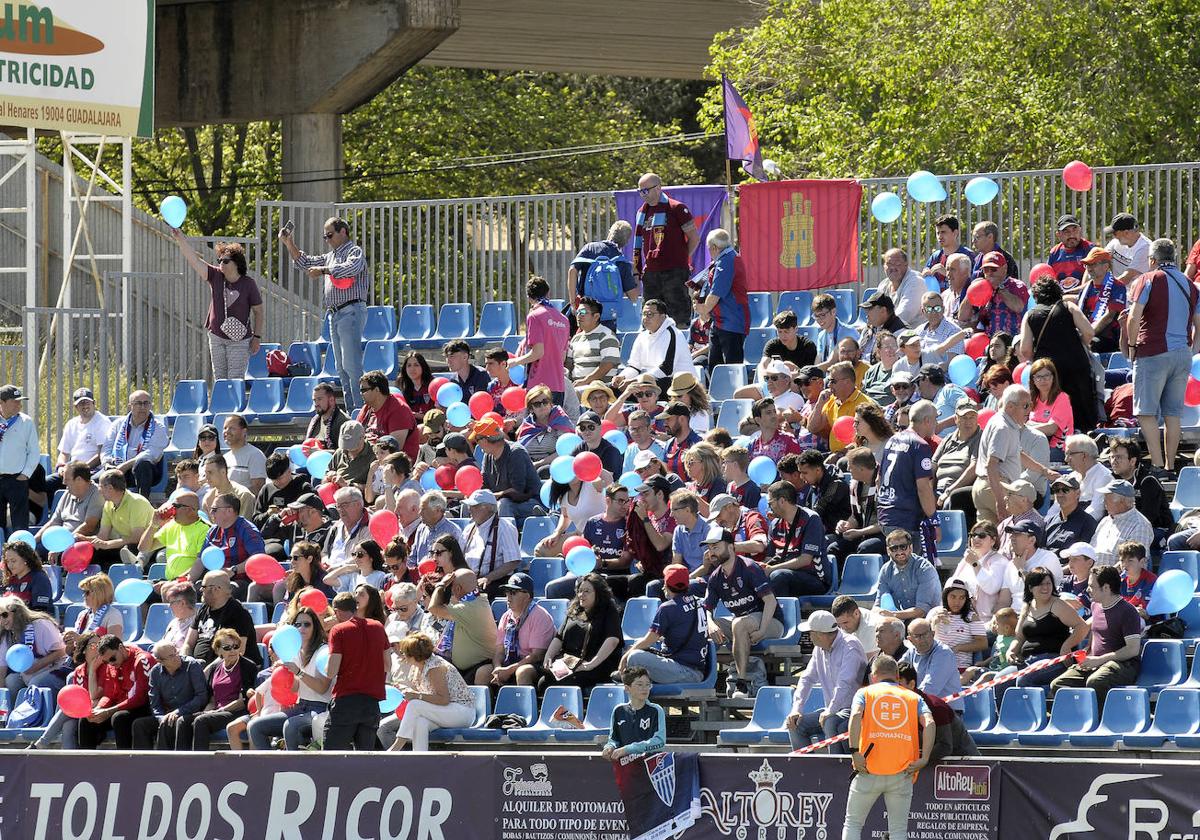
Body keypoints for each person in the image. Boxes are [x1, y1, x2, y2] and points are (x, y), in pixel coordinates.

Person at [1126, 238, 1200, 473]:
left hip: (1152, 352)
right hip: (1182, 355)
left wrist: (1131, 346)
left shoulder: (1146, 279)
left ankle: (1157, 464)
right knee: (1173, 412)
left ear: (1152, 259)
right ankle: (1170, 464)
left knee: (1146, 411)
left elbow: (1134, 317)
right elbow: (1199, 324)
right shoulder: (1190, 284)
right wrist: (1192, 350)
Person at [841, 654, 935, 840]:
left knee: (852, 824)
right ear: (897, 675)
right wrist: (924, 759)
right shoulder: (913, 697)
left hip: (867, 768)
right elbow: (930, 723)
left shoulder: (864, 693)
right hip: (902, 772)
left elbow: (855, 717)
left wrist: (854, 752)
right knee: (898, 830)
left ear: (874, 675)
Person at [280, 217, 369, 410]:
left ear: (343, 232)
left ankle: (361, 412)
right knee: (341, 368)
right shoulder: (330, 256)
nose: (327, 239)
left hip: (351, 310)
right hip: (335, 315)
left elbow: (351, 267)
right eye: (324, 236)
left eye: (330, 235)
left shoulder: (354, 251)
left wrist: (323, 270)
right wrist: (289, 243)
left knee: (352, 365)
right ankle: (352, 409)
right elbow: (305, 262)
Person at [173, 231, 264, 381]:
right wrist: (181, 239)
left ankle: (235, 405)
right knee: (220, 379)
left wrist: (257, 337)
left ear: (237, 263)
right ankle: (223, 405)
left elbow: (259, 312)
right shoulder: (215, 276)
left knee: (235, 379)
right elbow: (194, 260)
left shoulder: (248, 284)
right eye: (219, 260)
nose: (221, 263)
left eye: (225, 261)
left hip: (240, 339)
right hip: (216, 335)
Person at [704, 527, 783, 698]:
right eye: (709, 548)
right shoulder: (715, 577)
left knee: (739, 623)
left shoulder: (749, 568)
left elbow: (770, 601)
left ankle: (742, 684)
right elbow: (707, 609)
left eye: (716, 547)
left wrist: (762, 630)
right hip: (742, 624)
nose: (711, 552)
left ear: (731, 547)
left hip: (771, 623)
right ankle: (703, 678)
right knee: (705, 626)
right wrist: (710, 624)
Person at [1050, 565, 1142, 705]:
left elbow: (1132, 649)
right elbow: (1094, 629)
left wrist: (1100, 660)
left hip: (1123, 664)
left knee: (1095, 681)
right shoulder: (1096, 606)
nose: (1088, 590)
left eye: (1092, 586)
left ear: (1106, 588)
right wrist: (1086, 652)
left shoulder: (1128, 611)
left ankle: (1099, 721)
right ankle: (1079, 719)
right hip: (1096, 662)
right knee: (1059, 684)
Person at [1019, 277, 1098, 432]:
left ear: (1036, 296)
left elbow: (1025, 350)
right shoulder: (1068, 307)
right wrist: (1079, 343)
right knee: (1082, 410)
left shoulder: (1030, 315)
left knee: (1054, 410)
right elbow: (1089, 332)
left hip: (1048, 372)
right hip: (1077, 366)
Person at [248, 607, 332, 751]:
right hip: (300, 707)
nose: (302, 628)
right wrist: (284, 674)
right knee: (255, 726)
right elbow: (295, 688)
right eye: (297, 624)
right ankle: (272, 767)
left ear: (315, 627)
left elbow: (322, 688)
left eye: (307, 624)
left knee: (291, 726)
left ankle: (294, 768)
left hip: (321, 709)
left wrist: (298, 672)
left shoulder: (323, 651)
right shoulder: (295, 651)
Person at [786, 609, 866, 751]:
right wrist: (796, 709)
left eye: (811, 633)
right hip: (835, 709)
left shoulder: (850, 645)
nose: (809, 637)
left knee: (830, 721)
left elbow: (845, 683)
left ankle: (834, 770)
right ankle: (805, 771)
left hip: (855, 710)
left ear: (820, 634)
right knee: (795, 724)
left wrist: (830, 710)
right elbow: (807, 678)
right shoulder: (819, 648)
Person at [620, 564, 709, 684]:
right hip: (694, 670)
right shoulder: (700, 602)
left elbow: (649, 640)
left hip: (685, 671)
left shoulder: (668, 607)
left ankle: (626, 677)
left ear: (666, 585)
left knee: (634, 656)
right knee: (637, 646)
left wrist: (625, 657)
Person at [322, 591, 389, 750]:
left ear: (337, 611)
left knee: (331, 759)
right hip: (371, 704)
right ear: (355, 607)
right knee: (366, 761)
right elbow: (388, 665)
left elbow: (331, 671)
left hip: (346, 702)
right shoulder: (378, 626)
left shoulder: (338, 630)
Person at [632, 173, 700, 327]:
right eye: (640, 191)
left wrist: (681, 259)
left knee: (678, 319)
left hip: (674, 272)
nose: (643, 195)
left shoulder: (677, 208)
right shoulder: (641, 213)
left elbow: (694, 238)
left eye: (645, 190)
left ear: (658, 188)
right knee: (650, 319)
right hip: (650, 274)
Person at [538, 572, 622, 694]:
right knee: (543, 683)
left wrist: (591, 664)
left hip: (596, 664)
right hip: (570, 662)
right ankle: (556, 713)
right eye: (580, 591)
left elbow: (612, 640)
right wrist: (548, 657)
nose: (581, 595)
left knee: (564, 684)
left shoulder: (609, 610)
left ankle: (571, 713)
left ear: (598, 593)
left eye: (587, 591)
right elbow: (559, 637)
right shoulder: (574, 610)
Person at [876, 400, 938, 558]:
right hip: (905, 519)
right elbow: (923, 487)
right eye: (935, 419)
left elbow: (878, 479)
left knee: (899, 568)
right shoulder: (920, 445)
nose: (936, 424)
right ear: (926, 421)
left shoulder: (892, 440)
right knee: (907, 573)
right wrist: (934, 520)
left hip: (886, 515)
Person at [475, 572, 555, 689]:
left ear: (527, 596)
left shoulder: (540, 615)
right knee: (482, 673)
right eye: (507, 593)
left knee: (522, 672)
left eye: (513, 593)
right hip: (509, 662)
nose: (508, 597)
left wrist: (510, 670)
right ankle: (489, 706)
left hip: (534, 665)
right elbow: (499, 651)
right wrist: (498, 668)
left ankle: (526, 706)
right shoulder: (506, 616)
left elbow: (537, 655)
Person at [77, 634, 156, 749]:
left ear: (121, 648)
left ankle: (124, 762)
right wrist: (99, 709)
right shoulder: (112, 664)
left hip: (144, 707)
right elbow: (110, 694)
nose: (111, 663)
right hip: (123, 706)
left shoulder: (142, 660)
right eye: (106, 662)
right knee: (86, 720)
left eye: (113, 658)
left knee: (119, 718)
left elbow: (141, 697)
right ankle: (86, 764)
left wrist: (109, 711)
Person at [188, 627, 259, 750]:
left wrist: (218, 711)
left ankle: (198, 765)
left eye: (235, 646)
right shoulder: (215, 667)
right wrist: (207, 711)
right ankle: (180, 763)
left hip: (236, 712)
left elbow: (243, 702)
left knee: (201, 721)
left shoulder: (248, 667)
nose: (233, 650)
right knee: (184, 721)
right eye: (227, 648)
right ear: (218, 651)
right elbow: (212, 699)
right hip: (218, 711)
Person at [132, 641, 209, 750]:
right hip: (168, 714)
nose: (177, 657)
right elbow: (155, 703)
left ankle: (170, 763)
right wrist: (161, 718)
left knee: (176, 722)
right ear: (160, 661)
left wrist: (179, 711)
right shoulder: (155, 672)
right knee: (139, 724)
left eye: (176, 652)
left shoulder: (192, 665)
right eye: (171, 656)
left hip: (190, 712)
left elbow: (201, 697)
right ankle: (143, 763)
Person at [896, 661, 978, 762]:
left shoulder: (936, 707)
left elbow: (945, 746)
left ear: (912, 684)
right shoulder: (897, 707)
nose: (893, 690)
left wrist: (917, 760)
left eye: (898, 685)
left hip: (966, 763)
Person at [614, 298, 698, 395]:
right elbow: (634, 366)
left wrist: (635, 381)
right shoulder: (642, 336)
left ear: (662, 316)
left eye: (650, 314)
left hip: (680, 384)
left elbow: (666, 369)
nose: (645, 318)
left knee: (643, 388)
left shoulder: (673, 334)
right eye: (643, 314)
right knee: (612, 389)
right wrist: (623, 377)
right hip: (652, 381)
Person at [509, 276, 571, 405]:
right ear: (548, 293)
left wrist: (514, 361)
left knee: (536, 425)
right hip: (558, 384)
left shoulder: (534, 316)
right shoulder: (564, 319)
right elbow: (562, 357)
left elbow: (537, 352)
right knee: (554, 424)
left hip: (538, 386)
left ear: (529, 297)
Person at [693, 228, 749, 370]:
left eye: (708, 249)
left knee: (731, 369)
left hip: (731, 321)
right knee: (715, 366)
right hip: (720, 322)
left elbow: (716, 293)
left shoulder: (727, 261)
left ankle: (733, 393)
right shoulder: (726, 259)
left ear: (714, 248)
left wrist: (703, 309)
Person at [428, 568, 497, 684]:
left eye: (451, 587)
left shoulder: (471, 607)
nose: (450, 591)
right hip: (461, 668)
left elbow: (433, 608)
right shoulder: (474, 600)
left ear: (458, 589)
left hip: (477, 667)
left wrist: (441, 585)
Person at [569, 220, 639, 333]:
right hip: (609, 315)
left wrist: (573, 302)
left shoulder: (590, 248)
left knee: (581, 344)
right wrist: (635, 274)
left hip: (585, 310)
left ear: (610, 232)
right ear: (626, 242)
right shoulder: (622, 262)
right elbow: (634, 297)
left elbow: (572, 271)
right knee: (607, 346)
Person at [971, 385, 1027, 525]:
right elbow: (991, 465)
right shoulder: (1003, 428)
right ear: (1010, 407)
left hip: (984, 486)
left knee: (989, 540)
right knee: (1021, 528)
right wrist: (1001, 502)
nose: (1029, 410)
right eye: (1025, 406)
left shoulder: (1003, 423)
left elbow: (1017, 454)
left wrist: (1044, 470)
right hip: (996, 488)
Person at [764, 480, 829, 598]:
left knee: (778, 576)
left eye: (770, 503)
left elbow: (805, 559)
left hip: (814, 578)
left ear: (782, 501)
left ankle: (781, 616)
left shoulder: (811, 519)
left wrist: (772, 569)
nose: (769, 508)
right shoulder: (774, 524)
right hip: (785, 574)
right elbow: (769, 558)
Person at [183, 570, 261, 666]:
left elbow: (237, 652)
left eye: (203, 587)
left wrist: (207, 672)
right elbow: (188, 643)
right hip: (198, 668)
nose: (201, 590)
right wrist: (185, 661)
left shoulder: (238, 613)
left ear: (216, 589)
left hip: (228, 670)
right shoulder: (203, 609)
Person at [46, 387, 111, 500]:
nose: (85, 406)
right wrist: (61, 466)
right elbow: (64, 453)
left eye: (87, 402)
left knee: (80, 482)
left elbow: (102, 453)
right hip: (71, 470)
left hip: (93, 470)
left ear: (94, 403)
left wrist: (80, 469)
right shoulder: (71, 424)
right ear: (76, 407)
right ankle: (48, 514)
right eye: (81, 403)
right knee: (46, 483)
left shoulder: (102, 422)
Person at [476, 417, 544, 526]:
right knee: (472, 505)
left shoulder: (516, 453)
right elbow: (484, 486)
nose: (476, 444)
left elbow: (518, 491)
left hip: (530, 502)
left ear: (484, 440)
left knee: (504, 504)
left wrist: (491, 497)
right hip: (501, 501)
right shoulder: (487, 455)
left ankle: (505, 540)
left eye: (476, 440)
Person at [199, 491, 265, 596]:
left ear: (229, 511)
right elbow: (200, 561)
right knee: (194, 589)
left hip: (242, 580)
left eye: (215, 510)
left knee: (226, 591)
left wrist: (233, 570)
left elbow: (258, 558)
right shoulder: (212, 532)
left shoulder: (247, 529)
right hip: (215, 580)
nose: (211, 513)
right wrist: (188, 580)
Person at [951, 520, 1018, 620]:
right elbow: (951, 585)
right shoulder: (965, 561)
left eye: (981, 535)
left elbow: (991, 587)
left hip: (985, 620)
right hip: (961, 617)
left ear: (993, 540)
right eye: (973, 535)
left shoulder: (999, 561)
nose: (976, 538)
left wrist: (975, 564)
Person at [88, 469, 154, 570]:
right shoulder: (108, 504)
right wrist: (85, 541)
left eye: (100, 486)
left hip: (146, 545)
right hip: (124, 544)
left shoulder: (137, 502)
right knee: (93, 553)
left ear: (110, 488)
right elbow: (103, 536)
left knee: (128, 548)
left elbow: (137, 537)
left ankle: (136, 568)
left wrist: (107, 544)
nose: (98, 489)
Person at [460, 490, 521, 598]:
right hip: (469, 581)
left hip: (493, 583)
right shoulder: (469, 529)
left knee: (469, 599)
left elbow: (513, 562)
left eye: (473, 506)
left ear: (487, 508)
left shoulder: (505, 528)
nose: (469, 510)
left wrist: (488, 578)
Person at [0, 594, 66, 694]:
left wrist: (35, 667)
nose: (2, 620)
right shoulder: (7, 635)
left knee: (35, 684)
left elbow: (61, 651)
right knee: (11, 681)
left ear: (18, 612)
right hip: (27, 672)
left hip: (54, 667)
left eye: (5, 615)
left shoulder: (41, 624)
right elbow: (2, 667)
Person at [1108, 439, 1172, 540]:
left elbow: (1148, 517)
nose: (1113, 461)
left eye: (1118, 457)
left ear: (1132, 461)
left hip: (1157, 530)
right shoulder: (1112, 480)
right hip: (1126, 527)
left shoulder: (1148, 481)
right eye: (1112, 457)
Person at [601, 665, 666, 760]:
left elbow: (659, 742)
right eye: (640, 684)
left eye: (648, 684)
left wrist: (629, 749)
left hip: (651, 764)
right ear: (627, 688)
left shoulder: (656, 710)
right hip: (626, 766)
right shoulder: (618, 710)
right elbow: (614, 739)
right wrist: (609, 747)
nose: (645, 688)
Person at [959, 251, 1029, 339]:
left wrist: (999, 288)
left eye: (993, 269)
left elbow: (1018, 307)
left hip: (1011, 341)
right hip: (989, 342)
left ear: (1005, 268)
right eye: (986, 269)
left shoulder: (1017, 285)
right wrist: (971, 292)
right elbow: (962, 317)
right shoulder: (981, 287)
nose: (989, 273)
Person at [138, 490, 208, 577]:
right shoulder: (171, 525)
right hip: (170, 582)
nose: (171, 509)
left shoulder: (204, 530)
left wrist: (177, 582)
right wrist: (153, 525)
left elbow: (201, 565)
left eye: (175, 506)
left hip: (189, 583)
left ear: (189, 510)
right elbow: (143, 548)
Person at [809, 362, 874, 454]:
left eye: (832, 381)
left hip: (856, 457)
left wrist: (840, 454)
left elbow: (867, 440)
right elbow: (812, 428)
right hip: (834, 455)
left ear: (846, 382)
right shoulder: (831, 400)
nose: (829, 385)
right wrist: (820, 403)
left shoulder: (865, 404)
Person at [875, 529, 941, 620]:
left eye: (903, 547)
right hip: (901, 618)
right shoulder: (885, 570)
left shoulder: (925, 569)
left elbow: (922, 610)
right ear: (888, 551)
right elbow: (878, 605)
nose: (899, 552)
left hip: (928, 620)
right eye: (894, 548)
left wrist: (892, 615)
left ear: (911, 548)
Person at [37, 461, 103, 552]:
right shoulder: (68, 493)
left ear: (79, 480)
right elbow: (54, 522)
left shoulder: (97, 494)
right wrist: (33, 541)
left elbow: (89, 526)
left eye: (67, 479)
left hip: (80, 545)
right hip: (61, 542)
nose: (63, 482)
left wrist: (63, 546)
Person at [900, 618, 963, 710]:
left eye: (925, 634)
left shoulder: (944, 653)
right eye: (917, 636)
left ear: (933, 634)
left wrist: (905, 702)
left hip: (948, 712)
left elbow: (930, 688)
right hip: (923, 707)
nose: (922, 639)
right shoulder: (911, 652)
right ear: (910, 640)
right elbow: (896, 672)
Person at [355, 369, 418, 460]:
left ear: (377, 390)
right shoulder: (367, 408)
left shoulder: (399, 410)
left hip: (393, 466)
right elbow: (354, 435)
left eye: (364, 390)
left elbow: (393, 449)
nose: (361, 393)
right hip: (367, 459)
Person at [927, 579, 987, 670]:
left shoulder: (972, 617)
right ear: (945, 596)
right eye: (953, 597)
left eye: (962, 598)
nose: (957, 602)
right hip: (934, 664)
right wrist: (933, 623)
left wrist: (959, 648)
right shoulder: (934, 612)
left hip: (960, 667)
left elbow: (983, 643)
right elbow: (923, 638)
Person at [1091, 480, 1154, 566]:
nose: (1104, 502)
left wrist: (1104, 576)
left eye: (1107, 498)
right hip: (1092, 575)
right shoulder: (1105, 521)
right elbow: (1091, 551)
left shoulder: (1140, 525)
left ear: (1122, 502)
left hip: (1115, 578)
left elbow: (1132, 563)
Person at [1076, 247, 1126, 353]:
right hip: (1088, 334)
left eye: (1093, 264)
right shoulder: (1086, 289)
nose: (1089, 268)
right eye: (1087, 264)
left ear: (1106, 266)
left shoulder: (1117, 286)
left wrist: (1087, 335)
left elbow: (1109, 317)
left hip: (1108, 339)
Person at [569, 297, 622, 390]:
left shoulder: (606, 335)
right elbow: (569, 364)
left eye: (583, 312)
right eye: (577, 312)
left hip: (599, 389)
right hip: (577, 387)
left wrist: (585, 381)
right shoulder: (576, 338)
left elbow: (607, 365)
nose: (579, 316)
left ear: (596, 316)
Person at [517, 385, 574, 470]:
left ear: (551, 404)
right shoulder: (527, 426)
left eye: (545, 402)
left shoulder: (561, 421)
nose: (542, 406)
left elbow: (566, 450)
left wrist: (539, 464)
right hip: (528, 467)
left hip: (554, 468)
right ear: (531, 409)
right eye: (537, 404)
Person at [409, 490, 463, 571]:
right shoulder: (421, 529)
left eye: (423, 509)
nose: (419, 513)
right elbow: (413, 558)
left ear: (437, 510)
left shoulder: (453, 531)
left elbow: (457, 563)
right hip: (419, 577)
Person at [1043, 474, 1097, 552]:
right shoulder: (1050, 522)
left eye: (1065, 490)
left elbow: (1083, 557)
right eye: (1057, 490)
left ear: (1078, 493)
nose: (1060, 494)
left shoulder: (1087, 523)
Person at [323, 486, 373, 569]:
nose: (340, 510)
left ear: (358, 504)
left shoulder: (369, 526)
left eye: (344, 505)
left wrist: (337, 568)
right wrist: (325, 561)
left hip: (355, 576)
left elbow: (364, 557)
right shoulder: (336, 527)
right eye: (338, 506)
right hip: (330, 575)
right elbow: (324, 552)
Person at [1, 540, 54, 614]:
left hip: (34, 623)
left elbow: (41, 611)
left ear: (25, 559)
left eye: (13, 561)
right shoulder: (9, 579)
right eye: (7, 561)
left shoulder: (39, 578)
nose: (10, 565)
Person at [877, 248, 925, 327]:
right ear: (884, 266)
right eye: (889, 264)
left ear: (906, 265)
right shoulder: (883, 285)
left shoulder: (916, 282)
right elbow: (876, 312)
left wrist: (881, 330)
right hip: (889, 332)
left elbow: (905, 315)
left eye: (897, 264)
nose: (893, 268)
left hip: (913, 333)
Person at [1046, 214, 1094, 291]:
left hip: (1085, 298)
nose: (1072, 235)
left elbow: (1097, 281)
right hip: (1059, 300)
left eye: (1075, 230)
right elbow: (1048, 281)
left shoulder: (1090, 249)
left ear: (1080, 230)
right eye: (1066, 231)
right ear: (1058, 234)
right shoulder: (1054, 253)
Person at [199, 454, 256, 519]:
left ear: (223, 472)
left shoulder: (243, 495)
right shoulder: (208, 498)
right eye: (205, 473)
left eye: (210, 472)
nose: (207, 477)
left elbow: (245, 526)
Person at [324, 538, 389, 594]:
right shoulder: (353, 576)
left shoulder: (381, 576)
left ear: (371, 557)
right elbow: (327, 580)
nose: (356, 558)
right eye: (354, 554)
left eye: (360, 554)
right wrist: (347, 567)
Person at [71, 573, 124, 638]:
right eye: (83, 592)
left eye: (87, 592)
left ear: (99, 594)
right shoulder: (82, 615)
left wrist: (79, 639)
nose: (83, 595)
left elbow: (114, 645)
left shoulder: (113, 614)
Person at [858, 293, 907, 360]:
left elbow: (897, 362)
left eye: (870, 309)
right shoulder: (868, 329)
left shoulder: (900, 332)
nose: (866, 314)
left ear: (883, 310)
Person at [1117, 541, 1158, 619]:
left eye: (1130, 561)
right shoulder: (1119, 581)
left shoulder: (1151, 581)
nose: (1125, 565)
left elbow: (1149, 614)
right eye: (1122, 561)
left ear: (1142, 562)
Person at [305, 382, 349, 452]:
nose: (316, 404)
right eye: (314, 400)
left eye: (319, 399)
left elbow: (346, 452)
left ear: (331, 400)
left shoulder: (344, 422)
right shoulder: (315, 420)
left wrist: (321, 452)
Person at [161, 582, 199, 652]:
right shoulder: (173, 623)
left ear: (182, 603)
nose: (169, 606)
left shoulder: (197, 624)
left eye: (171, 602)